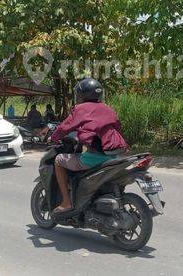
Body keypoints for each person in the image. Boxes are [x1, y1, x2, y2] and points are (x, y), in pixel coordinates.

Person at [50, 78, 129, 213]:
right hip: (114, 157)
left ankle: (67, 202)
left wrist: (53, 137)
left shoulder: (81, 109)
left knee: (58, 160)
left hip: (95, 158)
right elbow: (117, 128)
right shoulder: (108, 109)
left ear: (82, 95)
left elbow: (65, 127)